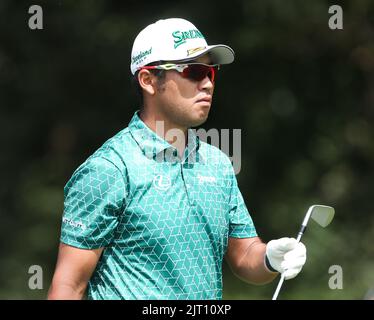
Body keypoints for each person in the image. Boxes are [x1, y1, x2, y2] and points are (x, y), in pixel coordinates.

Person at [48, 18, 306, 300]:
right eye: (194, 71)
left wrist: (270, 257)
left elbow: (244, 255)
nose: (207, 83)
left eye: (211, 71)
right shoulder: (109, 169)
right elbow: (69, 286)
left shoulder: (218, 164)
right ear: (148, 80)